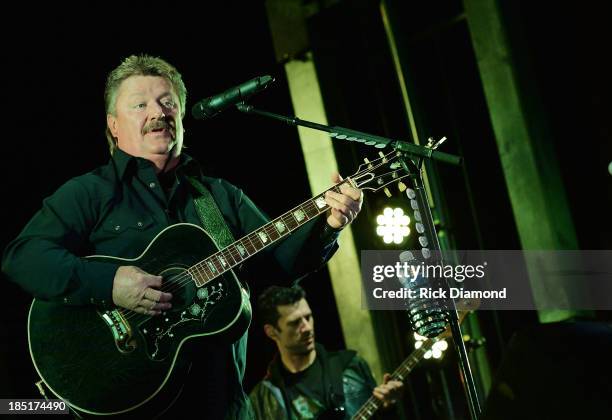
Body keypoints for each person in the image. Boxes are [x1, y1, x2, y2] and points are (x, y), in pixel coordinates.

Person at [1, 54, 363, 419]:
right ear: (113, 125)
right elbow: (24, 257)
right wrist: (110, 282)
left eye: (167, 102)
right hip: (131, 399)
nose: (157, 112)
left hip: (222, 404)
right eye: (139, 105)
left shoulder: (220, 196)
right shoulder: (90, 193)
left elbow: (278, 264)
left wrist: (328, 224)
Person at [249, 285, 403, 419]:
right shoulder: (262, 399)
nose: (307, 328)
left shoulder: (350, 365)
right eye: (295, 323)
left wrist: (388, 408)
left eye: (308, 317)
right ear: (271, 332)